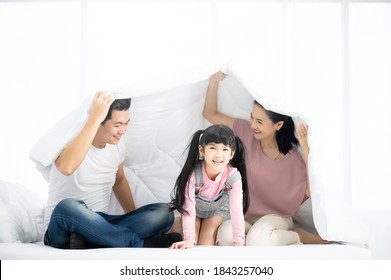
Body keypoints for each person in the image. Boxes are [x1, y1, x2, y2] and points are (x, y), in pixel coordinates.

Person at [43, 92, 182, 249]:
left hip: (101, 223)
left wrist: (135, 216)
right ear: (99, 122)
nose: (123, 130)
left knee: (164, 212)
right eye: (117, 125)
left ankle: (92, 241)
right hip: (65, 224)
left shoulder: (117, 146)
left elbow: (120, 180)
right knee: (68, 207)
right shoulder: (71, 140)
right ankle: (139, 243)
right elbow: (66, 168)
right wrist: (94, 116)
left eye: (126, 123)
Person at [203, 71, 326, 246]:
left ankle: (296, 236)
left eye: (260, 122)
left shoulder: (292, 159)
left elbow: (309, 192)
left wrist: (306, 149)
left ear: (278, 125)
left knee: (257, 239)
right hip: (245, 214)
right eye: (252, 117)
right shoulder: (245, 131)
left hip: (276, 217)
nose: (253, 124)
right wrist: (214, 81)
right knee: (226, 236)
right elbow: (210, 114)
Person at [169, 124, 249, 249]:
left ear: (232, 154)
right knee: (188, 240)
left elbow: (236, 211)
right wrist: (189, 239)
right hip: (195, 210)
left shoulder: (233, 177)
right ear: (202, 150)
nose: (218, 155)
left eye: (225, 149)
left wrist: (239, 243)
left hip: (217, 211)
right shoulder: (194, 173)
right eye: (212, 148)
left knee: (205, 244)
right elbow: (189, 208)